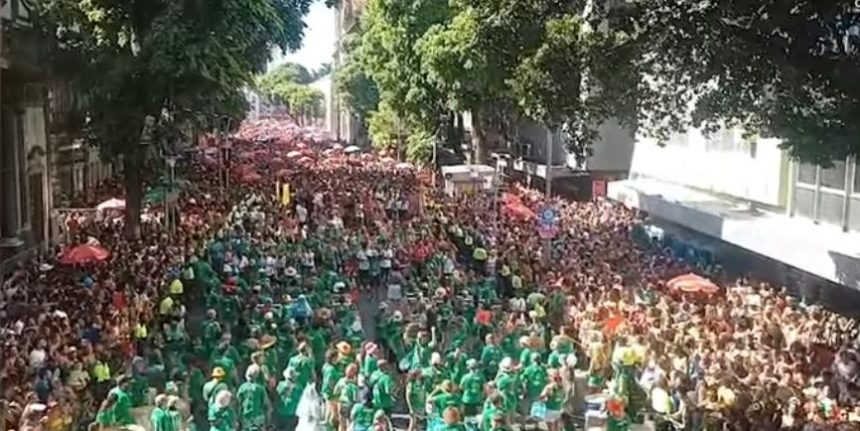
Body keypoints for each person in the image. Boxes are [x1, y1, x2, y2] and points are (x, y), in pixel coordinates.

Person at [236, 365, 269, 431]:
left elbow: (238, 403)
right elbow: (266, 403)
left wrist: (238, 416)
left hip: (246, 415)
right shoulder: (260, 388)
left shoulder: (242, 387)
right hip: (258, 415)